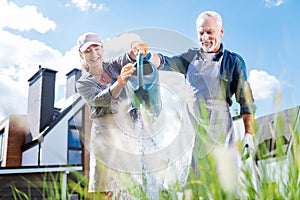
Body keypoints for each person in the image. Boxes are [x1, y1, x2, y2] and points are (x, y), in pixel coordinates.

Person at [133, 10, 256, 197]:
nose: (205, 37)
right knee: (191, 187)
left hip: (220, 133)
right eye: (201, 33)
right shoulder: (190, 58)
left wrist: (249, 134)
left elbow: (246, 101)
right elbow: (165, 62)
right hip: (191, 133)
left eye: (210, 32)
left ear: (221, 32)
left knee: (223, 187)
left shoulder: (233, 61)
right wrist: (148, 55)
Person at [75, 32, 140, 199]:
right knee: (105, 191)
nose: (94, 54)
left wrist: (136, 51)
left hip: (126, 134)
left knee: (128, 188)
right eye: (88, 51)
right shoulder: (83, 83)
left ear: (102, 49)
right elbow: (101, 100)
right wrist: (120, 82)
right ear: (81, 55)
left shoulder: (113, 66)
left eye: (96, 48)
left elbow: (128, 57)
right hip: (104, 138)